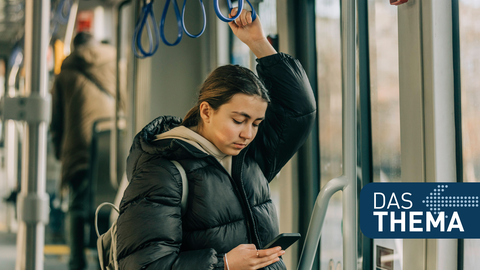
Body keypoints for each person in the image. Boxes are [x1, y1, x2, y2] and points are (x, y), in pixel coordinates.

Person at [116, 9, 316, 270]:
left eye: (256, 123)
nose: (248, 134)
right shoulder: (162, 172)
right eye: (238, 120)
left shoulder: (249, 160)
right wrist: (224, 265)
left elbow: (299, 110)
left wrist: (257, 42)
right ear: (206, 111)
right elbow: (143, 265)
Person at [50, 32, 123, 270]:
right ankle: (113, 259)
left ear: (75, 48)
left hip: (78, 147)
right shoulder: (117, 62)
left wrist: (59, 152)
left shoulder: (64, 72)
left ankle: (77, 261)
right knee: (116, 203)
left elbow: (57, 120)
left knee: (77, 207)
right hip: (113, 144)